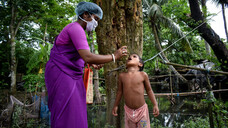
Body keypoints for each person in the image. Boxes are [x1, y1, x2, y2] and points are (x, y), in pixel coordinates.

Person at [45, 2, 128, 128]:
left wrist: (90, 63)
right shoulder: (75, 28)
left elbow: (78, 56)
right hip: (62, 73)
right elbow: (87, 56)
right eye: (95, 19)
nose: (96, 23)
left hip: (72, 74)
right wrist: (114, 56)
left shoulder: (79, 30)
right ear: (85, 14)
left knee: (76, 111)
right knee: (66, 111)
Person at [112, 53, 159, 128]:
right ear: (126, 65)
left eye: (134, 56)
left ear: (140, 64)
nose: (130, 57)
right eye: (129, 57)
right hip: (128, 111)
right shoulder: (122, 76)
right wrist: (115, 105)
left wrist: (155, 104)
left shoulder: (143, 75)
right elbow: (119, 92)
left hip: (142, 111)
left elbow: (149, 90)